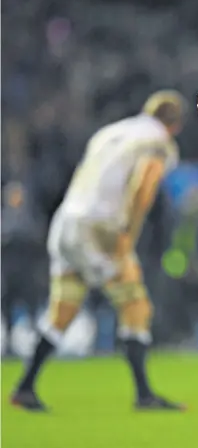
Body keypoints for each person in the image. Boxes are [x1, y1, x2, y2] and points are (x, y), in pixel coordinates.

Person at [10, 91, 187, 412]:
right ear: (175, 125)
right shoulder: (158, 142)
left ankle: (25, 387)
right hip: (100, 226)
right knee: (136, 305)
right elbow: (143, 185)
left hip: (66, 222)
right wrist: (128, 233)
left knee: (62, 311)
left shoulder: (110, 132)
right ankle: (144, 394)